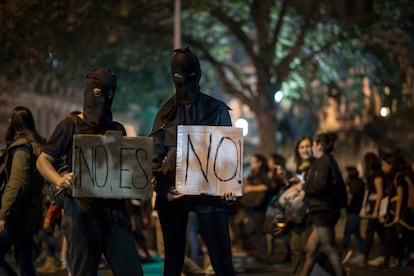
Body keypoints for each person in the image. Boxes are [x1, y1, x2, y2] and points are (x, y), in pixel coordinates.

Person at [36, 68, 144, 276]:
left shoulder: (118, 129)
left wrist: (141, 178)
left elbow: (126, 172)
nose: (104, 99)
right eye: (97, 93)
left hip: (115, 214)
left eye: (109, 94)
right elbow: (43, 161)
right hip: (81, 215)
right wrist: (60, 180)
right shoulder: (70, 125)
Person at [150, 47, 236, 276]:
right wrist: (164, 189)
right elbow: (154, 157)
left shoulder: (216, 109)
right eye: (180, 78)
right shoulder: (166, 113)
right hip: (174, 194)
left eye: (189, 77)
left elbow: (228, 158)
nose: (185, 83)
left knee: (222, 260)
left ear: (197, 75)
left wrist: (228, 187)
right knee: (173, 260)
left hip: (210, 195)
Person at [0, 106, 46, 275]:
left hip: (17, 213)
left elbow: (16, 184)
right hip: (30, 211)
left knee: (23, 256)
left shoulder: (21, 149)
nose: (8, 122)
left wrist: (3, 215)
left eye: (11, 120)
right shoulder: (38, 145)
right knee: (25, 258)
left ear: (15, 123)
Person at [300, 132, 347, 276]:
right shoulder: (323, 161)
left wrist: (304, 187)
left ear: (320, 145)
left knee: (329, 248)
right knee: (311, 249)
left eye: (313, 144)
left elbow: (320, 185)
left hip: (323, 211)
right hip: (320, 210)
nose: (311, 148)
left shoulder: (324, 161)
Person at [349, 152, 385, 267]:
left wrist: (375, 210)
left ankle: (365, 256)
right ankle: (386, 255)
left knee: (370, 231)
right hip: (374, 206)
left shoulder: (377, 175)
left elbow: (379, 193)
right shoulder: (374, 174)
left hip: (377, 207)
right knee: (381, 233)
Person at [341, 166, 365, 261]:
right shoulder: (355, 182)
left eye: (345, 173)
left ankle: (342, 252)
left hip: (354, 211)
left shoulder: (355, 183)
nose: (344, 175)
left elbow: (350, 196)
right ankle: (364, 252)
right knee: (357, 234)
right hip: (353, 211)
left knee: (347, 233)